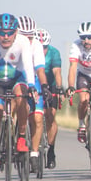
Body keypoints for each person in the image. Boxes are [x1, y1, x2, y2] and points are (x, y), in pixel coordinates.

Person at [0, 13, 37, 169]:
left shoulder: (23, 41)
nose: (5, 37)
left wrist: (31, 84)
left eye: (9, 33)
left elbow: (28, 65)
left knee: (21, 98)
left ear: (16, 32)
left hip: (16, 79)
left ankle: (22, 138)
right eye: (2, 33)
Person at [17, 16, 52, 173]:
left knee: (37, 118)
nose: (28, 40)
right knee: (16, 107)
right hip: (17, 81)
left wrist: (44, 86)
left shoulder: (36, 45)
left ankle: (34, 153)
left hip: (34, 81)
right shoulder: (12, 45)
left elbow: (40, 69)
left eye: (30, 36)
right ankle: (15, 136)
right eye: (25, 36)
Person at [66, 22, 91, 143]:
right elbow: (72, 67)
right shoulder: (76, 45)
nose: (86, 40)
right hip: (84, 75)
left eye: (89, 37)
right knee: (83, 100)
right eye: (83, 37)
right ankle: (82, 125)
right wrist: (71, 86)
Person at [35, 28, 64, 169]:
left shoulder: (54, 53)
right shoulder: (29, 53)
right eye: (40, 48)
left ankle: (51, 151)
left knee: (50, 116)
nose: (42, 50)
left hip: (50, 85)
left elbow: (57, 72)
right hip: (34, 85)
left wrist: (59, 88)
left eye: (45, 47)